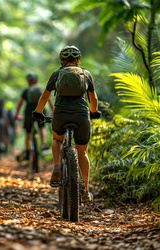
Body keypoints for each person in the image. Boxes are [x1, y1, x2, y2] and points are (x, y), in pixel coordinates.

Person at [32, 45, 101, 203]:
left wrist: (38, 112)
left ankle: (57, 167)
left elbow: (45, 95)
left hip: (61, 115)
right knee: (82, 152)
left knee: (57, 140)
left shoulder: (57, 74)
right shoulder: (86, 73)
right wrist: (94, 111)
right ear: (78, 60)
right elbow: (93, 98)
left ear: (62, 61)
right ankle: (85, 190)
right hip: (81, 116)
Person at [14, 72, 54, 161]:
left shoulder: (26, 91)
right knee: (42, 127)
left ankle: (27, 153)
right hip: (40, 110)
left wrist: (16, 114)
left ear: (28, 81)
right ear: (36, 80)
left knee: (28, 132)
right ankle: (43, 144)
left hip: (28, 112)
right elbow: (49, 100)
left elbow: (20, 103)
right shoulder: (41, 89)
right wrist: (53, 111)